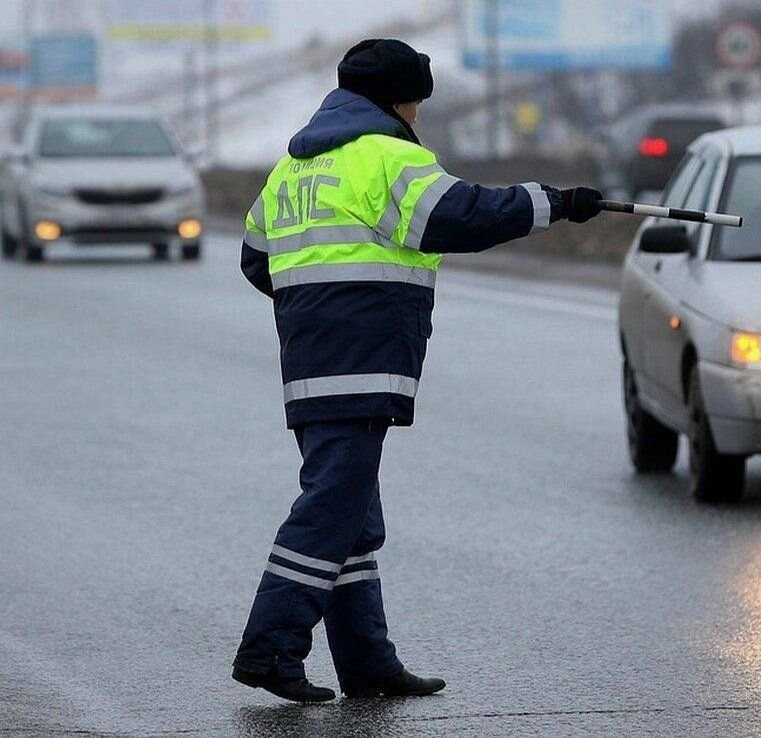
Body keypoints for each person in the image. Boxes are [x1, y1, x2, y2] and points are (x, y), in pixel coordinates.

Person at [231, 38, 603, 703]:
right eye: (417, 103)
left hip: (311, 358)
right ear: (402, 102)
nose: (418, 115)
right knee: (330, 509)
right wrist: (555, 202)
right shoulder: (390, 155)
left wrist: (313, 303)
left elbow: (257, 258)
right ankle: (270, 648)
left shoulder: (294, 166)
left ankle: (369, 665)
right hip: (364, 354)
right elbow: (459, 215)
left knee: (350, 513)